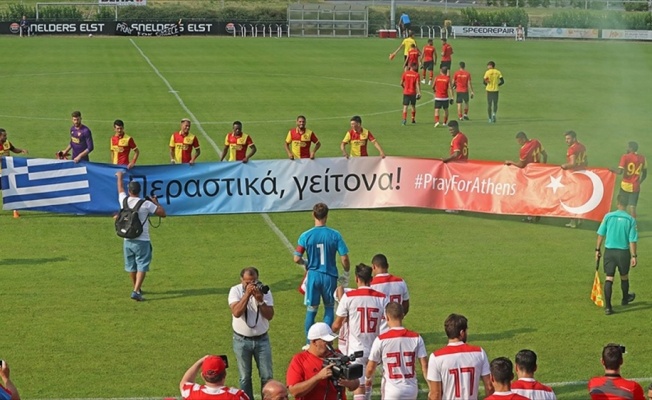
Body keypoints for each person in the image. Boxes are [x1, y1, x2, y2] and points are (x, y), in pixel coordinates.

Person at [293, 203, 350, 340]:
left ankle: (309, 342)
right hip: (329, 276)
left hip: (313, 276)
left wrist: (305, 262)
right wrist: (346, 272)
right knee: (329, 308)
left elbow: (296, 258)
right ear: (327, 216)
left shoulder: (305, 236)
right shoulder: (335, 235)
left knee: (311, 309)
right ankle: (326, 340)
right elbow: (345, 258)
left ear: (313, 215)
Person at [332, 263, 387, 400]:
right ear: (371, 279)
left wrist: (328, 332)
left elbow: (337, 325)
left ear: (357, 278)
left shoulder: (349, 297)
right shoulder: (382, 298)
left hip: (356, 348)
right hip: (375, 346)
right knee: (368, 379)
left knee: (359, 385)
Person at [115, 170, 166, 301]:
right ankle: (136, 290)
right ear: (139, 191)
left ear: (129, 190)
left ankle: (136, 287)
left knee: (132, 266)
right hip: (142, 239)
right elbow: (162, 213)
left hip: (127, 238)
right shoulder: (146, 204)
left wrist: (120, 176)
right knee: (142, 265)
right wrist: (155, 202)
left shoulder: (124, 201)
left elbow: (120, 189)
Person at [228, 267, 274, 400]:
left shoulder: (264, 291)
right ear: (241, 280)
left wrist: (260, 300)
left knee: (267, 376)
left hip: (262, 340)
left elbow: (270, 315)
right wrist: (247, 295)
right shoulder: (235, 290)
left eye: (253, 281)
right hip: (241, 340)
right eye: (247, 282)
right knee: (245, 377)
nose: (251, 285)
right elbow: (236, 312)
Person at [365, 302, 428, 400]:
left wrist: (367, 378)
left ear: (386, 317)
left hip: (391, 390)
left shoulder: (381, 340)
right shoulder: (416, 338)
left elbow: (370, 368)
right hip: (411, 390)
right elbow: (425, 367)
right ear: (403, 315)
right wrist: (432, 387)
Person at [427, 313, 493, 400]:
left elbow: (435, 394)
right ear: (462, 333)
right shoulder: (479, 353)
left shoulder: (436, 357)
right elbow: (489, 386)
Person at [286, 322, 359, 400]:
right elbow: (294, 392)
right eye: (326, 342)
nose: (331, 344)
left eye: (331, 341)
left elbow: (356, 383)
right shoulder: (299, 360)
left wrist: (349, 383)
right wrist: (318, 377)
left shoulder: (337, 355)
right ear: (314, 342)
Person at [595, 194, 638, 315]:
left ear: (617, 202)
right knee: (624, 276)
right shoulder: (630, 220)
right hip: (623, 253)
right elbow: (632, 240)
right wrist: (634, 256)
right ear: (626, 204)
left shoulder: (608, 217)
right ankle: (625, 299)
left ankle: (608, 307)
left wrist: (597, 250)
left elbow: (600, 234)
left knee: (609, 277)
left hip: (609, 252)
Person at [180, 355, 250, 400]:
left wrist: (200, 361)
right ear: (225, 374)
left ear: (202, 376)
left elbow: (184, 382)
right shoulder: (238, 396)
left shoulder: (191, 393)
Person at [560, 130, 588, 228]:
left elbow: (572, 163)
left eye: (568, 139)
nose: (566, 141)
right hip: (583, 174)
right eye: (566, 139)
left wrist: (564, 166)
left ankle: (573, 221)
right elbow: (586, 161)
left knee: (572, 198)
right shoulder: (582, 146)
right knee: (580, 198)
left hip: (574, 176)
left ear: (574, 138)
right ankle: (580, 219)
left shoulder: (571, 149)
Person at [612, 141, 647, 218]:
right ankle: (633, 225)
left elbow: (619, 171)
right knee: (632, 207)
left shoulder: (625, 157)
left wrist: (611, 169)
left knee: (621, 204)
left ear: (631, 148)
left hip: (625, 185)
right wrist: (639, 182)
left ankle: (620, 220)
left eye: (628, 147)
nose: (626, 148)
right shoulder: (642, 158)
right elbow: (645, 174)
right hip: (635, 186)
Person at [0, 128, 29, 218]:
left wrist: (21, 150)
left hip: (8, 172)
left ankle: (15, 211)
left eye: (6, 135)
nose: (6, 137)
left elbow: (13, 149)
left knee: (12, 191)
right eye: (4, 135)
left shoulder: (7, 143)